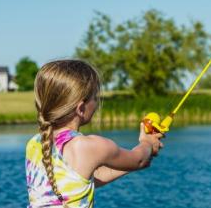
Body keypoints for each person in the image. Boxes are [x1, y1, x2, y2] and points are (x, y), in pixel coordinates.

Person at [25, 59, 164, 208]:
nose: (97, 103)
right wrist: (147, 143)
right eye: (95, 98)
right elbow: (138, 159)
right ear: (81, 108)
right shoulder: (89, 146)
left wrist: (134, 165)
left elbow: (86, 179)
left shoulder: (35, 143)